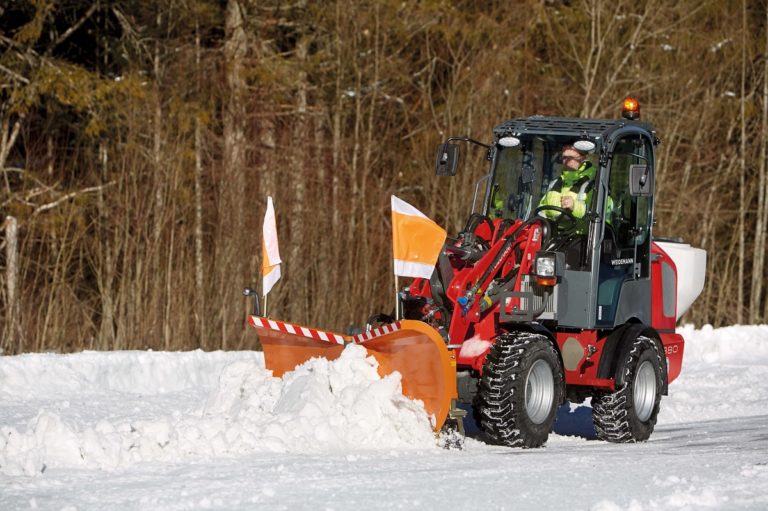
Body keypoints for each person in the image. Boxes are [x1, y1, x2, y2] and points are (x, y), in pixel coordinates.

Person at [539, 144, 596, 221]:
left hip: (582, 232)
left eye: (571, 157)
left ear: (583, 158)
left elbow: (597, 214)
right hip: (553, 230)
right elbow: (541, 208)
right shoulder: (555, 183)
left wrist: (574, 207)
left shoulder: (594, 181)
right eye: (564, 157)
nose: (566, 161)